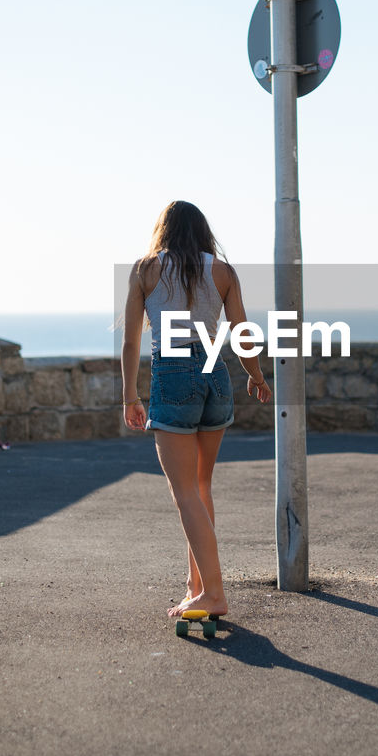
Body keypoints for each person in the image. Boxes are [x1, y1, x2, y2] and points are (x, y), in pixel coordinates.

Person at [121, 201, 272, 619]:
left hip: (173, 375)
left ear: (163, 231)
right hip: (214, 373)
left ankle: (215, 594)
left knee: (184, 492)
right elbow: (242, 335)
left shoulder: (145, 269)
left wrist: (129, 395)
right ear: (202, 231)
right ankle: (198, 585)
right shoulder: (222, 271)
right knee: (200, 487)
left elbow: (132, 341)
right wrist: (257, 379)